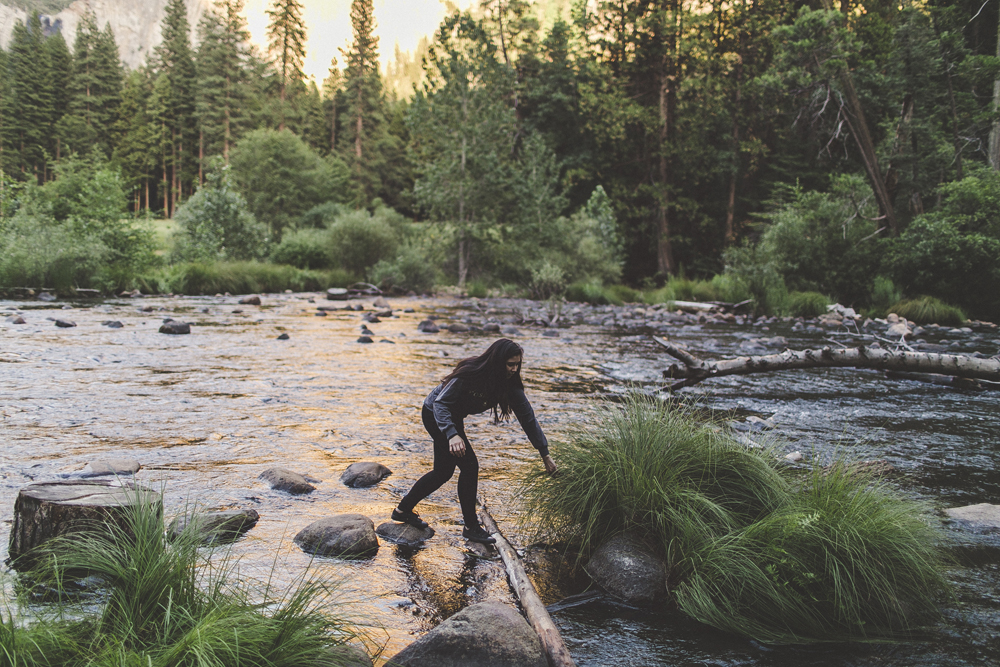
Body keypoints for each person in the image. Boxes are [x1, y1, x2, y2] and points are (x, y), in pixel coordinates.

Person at [392, 338, 558, 544]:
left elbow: (528, 418)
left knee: (443, 472)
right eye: (510, 364)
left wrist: (545, 454)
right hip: (435, 413)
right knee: (469, 466)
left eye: (517, 364)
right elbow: (441, 403)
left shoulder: (510, 385)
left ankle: (403, 510)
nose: (514, 369)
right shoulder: (471, 373)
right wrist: (452, 434)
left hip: (453, 418)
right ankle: (471, 527)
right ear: (498, 361)